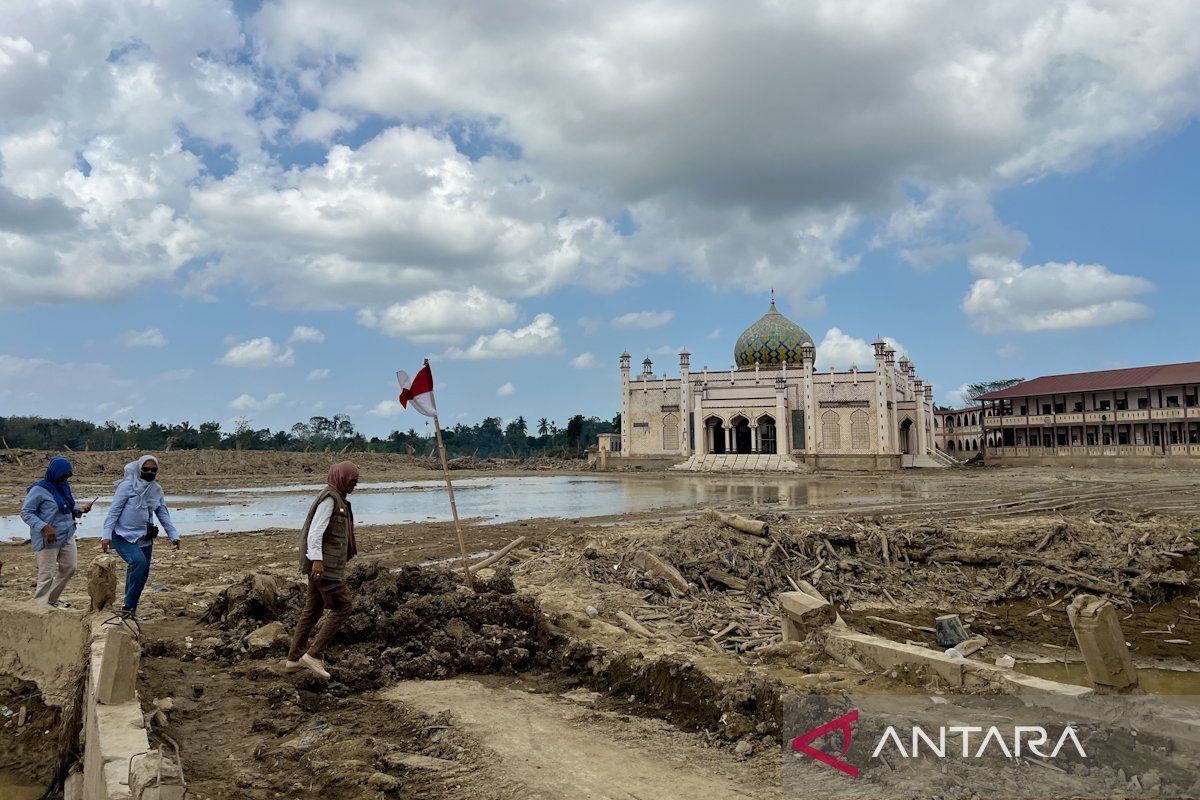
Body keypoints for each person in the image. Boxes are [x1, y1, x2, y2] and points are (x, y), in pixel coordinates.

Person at [286, 461, 360, 680]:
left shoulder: (338, 499)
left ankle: (293, 659)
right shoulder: (330, 499)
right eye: (352, 481)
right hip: (324, 568)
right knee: (344, 606)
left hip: (324, 566)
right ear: (342, 478)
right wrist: (317, 561)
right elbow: (315, 533)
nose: (355, 486)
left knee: (313, 610)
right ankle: (314, 654)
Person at [102, 455, 180, 619]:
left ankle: (130, 610)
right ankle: (128, 608)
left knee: (141, 574)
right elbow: (114, 512)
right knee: (138, 562)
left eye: (153, 470)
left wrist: (173, 534)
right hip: (123, 535)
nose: (150, 472)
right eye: (146, 469)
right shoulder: (126, 487)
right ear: (139, 469)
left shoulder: (156, 489)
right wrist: (106, 535)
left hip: (144, 537)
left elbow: (162, 512)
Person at [20, 457, 93, 606]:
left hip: (66, 534)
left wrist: (80, 510)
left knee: (69, 567)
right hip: (48, 538)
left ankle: (51, 599)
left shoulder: (64, 487)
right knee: (46, 574)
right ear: (54, 473)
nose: (65, 479)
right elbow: (26, 513)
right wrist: (45, 527)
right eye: (62, 476)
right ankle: (41, 605)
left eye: (68, 476)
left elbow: (66, 508)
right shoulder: (39, 490)